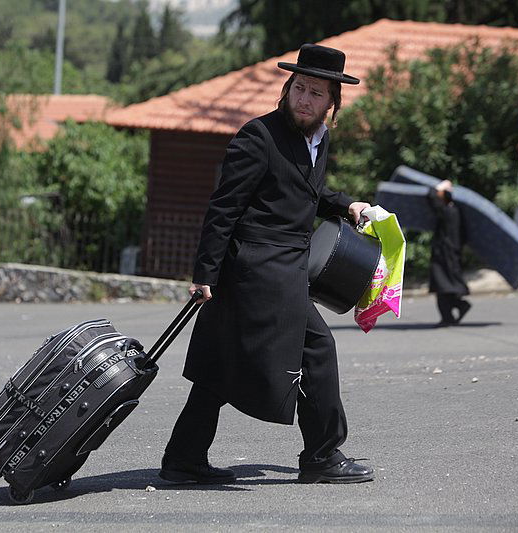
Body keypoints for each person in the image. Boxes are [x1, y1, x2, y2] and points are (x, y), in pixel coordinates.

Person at [159, 44, 374, 485]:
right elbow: (223, 208)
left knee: (222, 363)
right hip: (256, 269)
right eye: (300, 87)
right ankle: (322, 456)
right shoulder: (258, 137)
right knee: (317, 350)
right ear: (287, 88)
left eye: (317, 93)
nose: (305, 98)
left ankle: (183, 458)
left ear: (332, 103)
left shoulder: (318, 139)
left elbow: (305, 193)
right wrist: (204, 274)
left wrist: (347, 204)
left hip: (282, 269)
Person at [428, 179, 471, 326]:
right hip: (451, 254)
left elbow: (431, 197)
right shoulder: (456, 211)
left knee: (442, 288)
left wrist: (439, 187)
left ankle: (450, 314)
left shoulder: (447, 211)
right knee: (445, 288)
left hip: (444, 255)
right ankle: (457, 308)